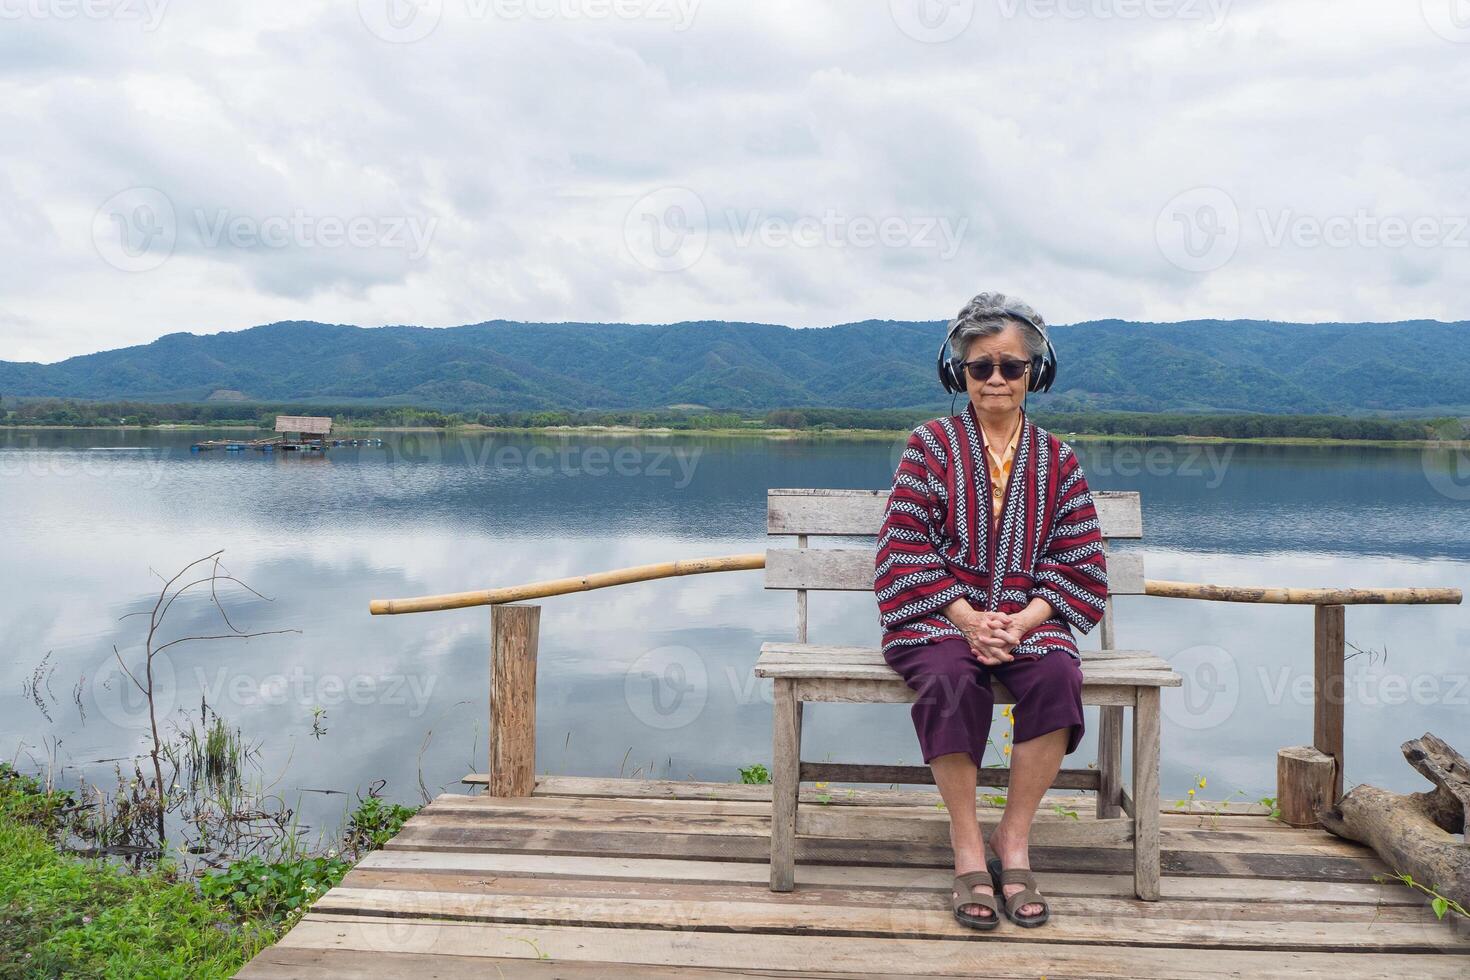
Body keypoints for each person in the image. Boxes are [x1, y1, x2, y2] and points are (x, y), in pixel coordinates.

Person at [874, 292, 1108, 929]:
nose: (996, 379)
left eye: (1011, 366)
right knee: (951, 677)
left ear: (1036, 371)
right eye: (981, 367)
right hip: (936, 619)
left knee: (1059, 675)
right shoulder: (928, 448)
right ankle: (966, 845)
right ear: (960, 374)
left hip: (1029, 620)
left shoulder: (1058, 459)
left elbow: (1080, 563)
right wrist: (967, 618)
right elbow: (902, 551)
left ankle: (1014, 838)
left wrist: (1024, 619)